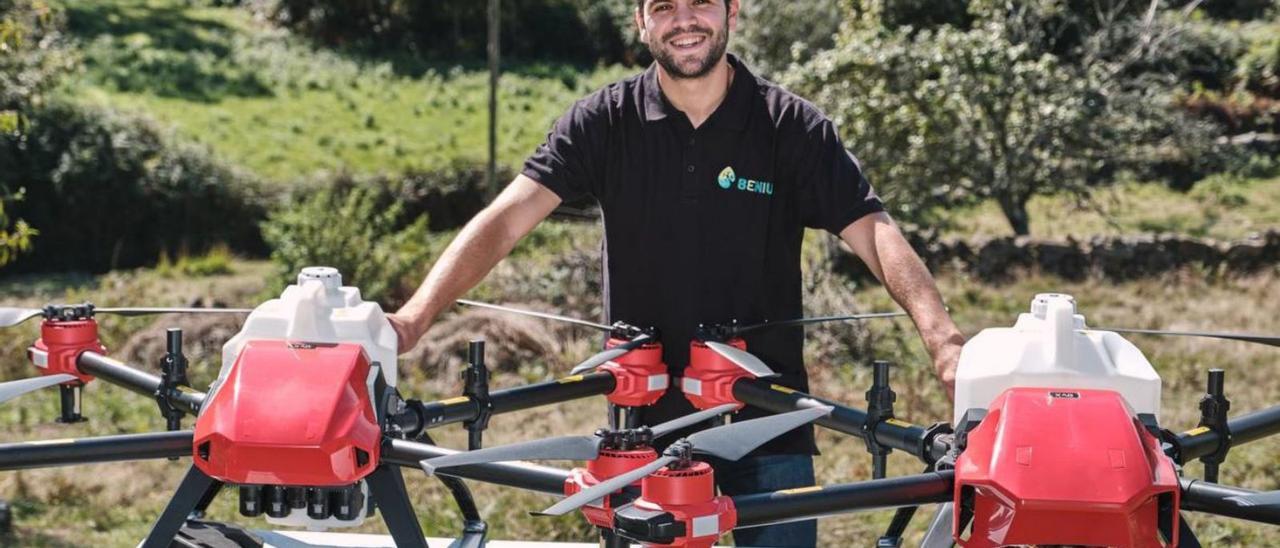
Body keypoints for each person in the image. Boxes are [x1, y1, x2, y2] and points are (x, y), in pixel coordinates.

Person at [388, 0, 965, 545]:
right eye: (663, 6)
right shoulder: (603, 121)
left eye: (700, 4)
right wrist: (413, 318)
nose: (683, 21)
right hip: (640, 435)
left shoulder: (791, 126)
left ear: (732, 11)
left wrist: (945, 343)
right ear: (641, 22)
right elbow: (508, 219)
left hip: (771, 425)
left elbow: (872, 230)